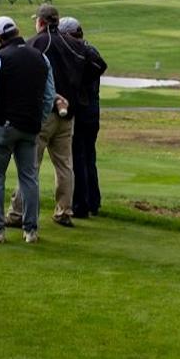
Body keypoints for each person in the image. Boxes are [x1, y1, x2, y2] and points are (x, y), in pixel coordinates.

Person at [0, 16, 54, 244]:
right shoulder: (41, 58)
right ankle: (31, 230)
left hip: (1, 127)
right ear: (16, 31)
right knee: (29, 177)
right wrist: (40, 120)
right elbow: (48, 96)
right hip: (30, 127)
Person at [9, 4, 87, 228]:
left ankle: (17, 213)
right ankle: (63, 211)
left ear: (41, 22)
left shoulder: (35, 43)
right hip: (68, 113)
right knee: (64, 165)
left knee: (30, 165)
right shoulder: (74, 44)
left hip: (43, 113)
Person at [60, 17, 108, 218]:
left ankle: (81, 205)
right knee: (88, 156)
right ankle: (92, 202)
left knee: (79, 157)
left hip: (82, 112)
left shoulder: (80, 52)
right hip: (92, 113)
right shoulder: (90, 50)